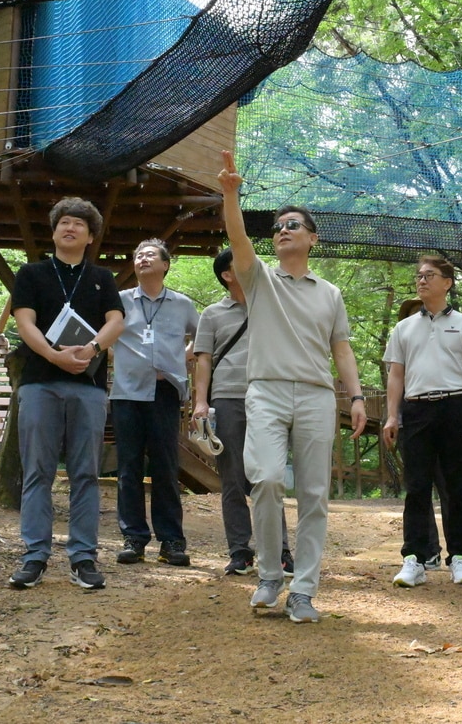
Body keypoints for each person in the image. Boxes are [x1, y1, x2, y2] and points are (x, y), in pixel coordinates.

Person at [217, 150, 368, 624]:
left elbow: (341, 348)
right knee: (263, 478)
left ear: (312, 239)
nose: (283, 230)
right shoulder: (259, 279)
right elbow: (238, 236)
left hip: (317, 397)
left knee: (315, 494)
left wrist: (357, 396)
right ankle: (268, 575)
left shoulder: (330, 293)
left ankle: (304, 591)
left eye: (294, 225)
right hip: (265, 390)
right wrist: (230, 194)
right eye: (279, 226)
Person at [7, 198, 125, 591]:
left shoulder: (102, 277)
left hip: (88, 386)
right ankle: (34, 556)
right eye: (64, 223)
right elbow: (24, 321)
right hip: (40, 382)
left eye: (78, 224)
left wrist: (90, 350)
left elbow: (116, 321)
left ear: (90, 236)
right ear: (54, 231)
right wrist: (53, 356)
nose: (69, 228)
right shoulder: (32, 273)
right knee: (37, 470)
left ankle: (83, 557)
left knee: (86, 473)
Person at [382, 256, 462, 587]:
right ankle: (413, 559)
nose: (422, 280)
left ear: (448, 282)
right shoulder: (403, 328)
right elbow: (395, 375)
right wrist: (391, 416)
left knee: (457, 487)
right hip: (416, 410)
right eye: (419, 276)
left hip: (456, 407)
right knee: (416, 487)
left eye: (430, 275)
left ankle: (460, 557)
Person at [192, 248, 292, 578]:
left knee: (268, 476)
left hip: (269, 398)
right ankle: (239, 551)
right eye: (241, 263)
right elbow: (203, 359)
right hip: (229, 398)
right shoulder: (212, 314)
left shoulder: (271, 306)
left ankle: (280, 552)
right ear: (227, 274)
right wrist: (201, 403)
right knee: (233, 478)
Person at [110, 239, 200, 568]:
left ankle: (172, 542)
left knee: (165, 467)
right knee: (128, 469)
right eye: (138, 255)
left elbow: (204, 337)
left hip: (165, 393)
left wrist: (181, 358)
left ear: (165, 265)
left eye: (150, 254)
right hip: (126, 393)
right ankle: (133, 538)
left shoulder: (181, 304)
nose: (143, 258)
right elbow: (103, 334)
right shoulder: (118, 301)